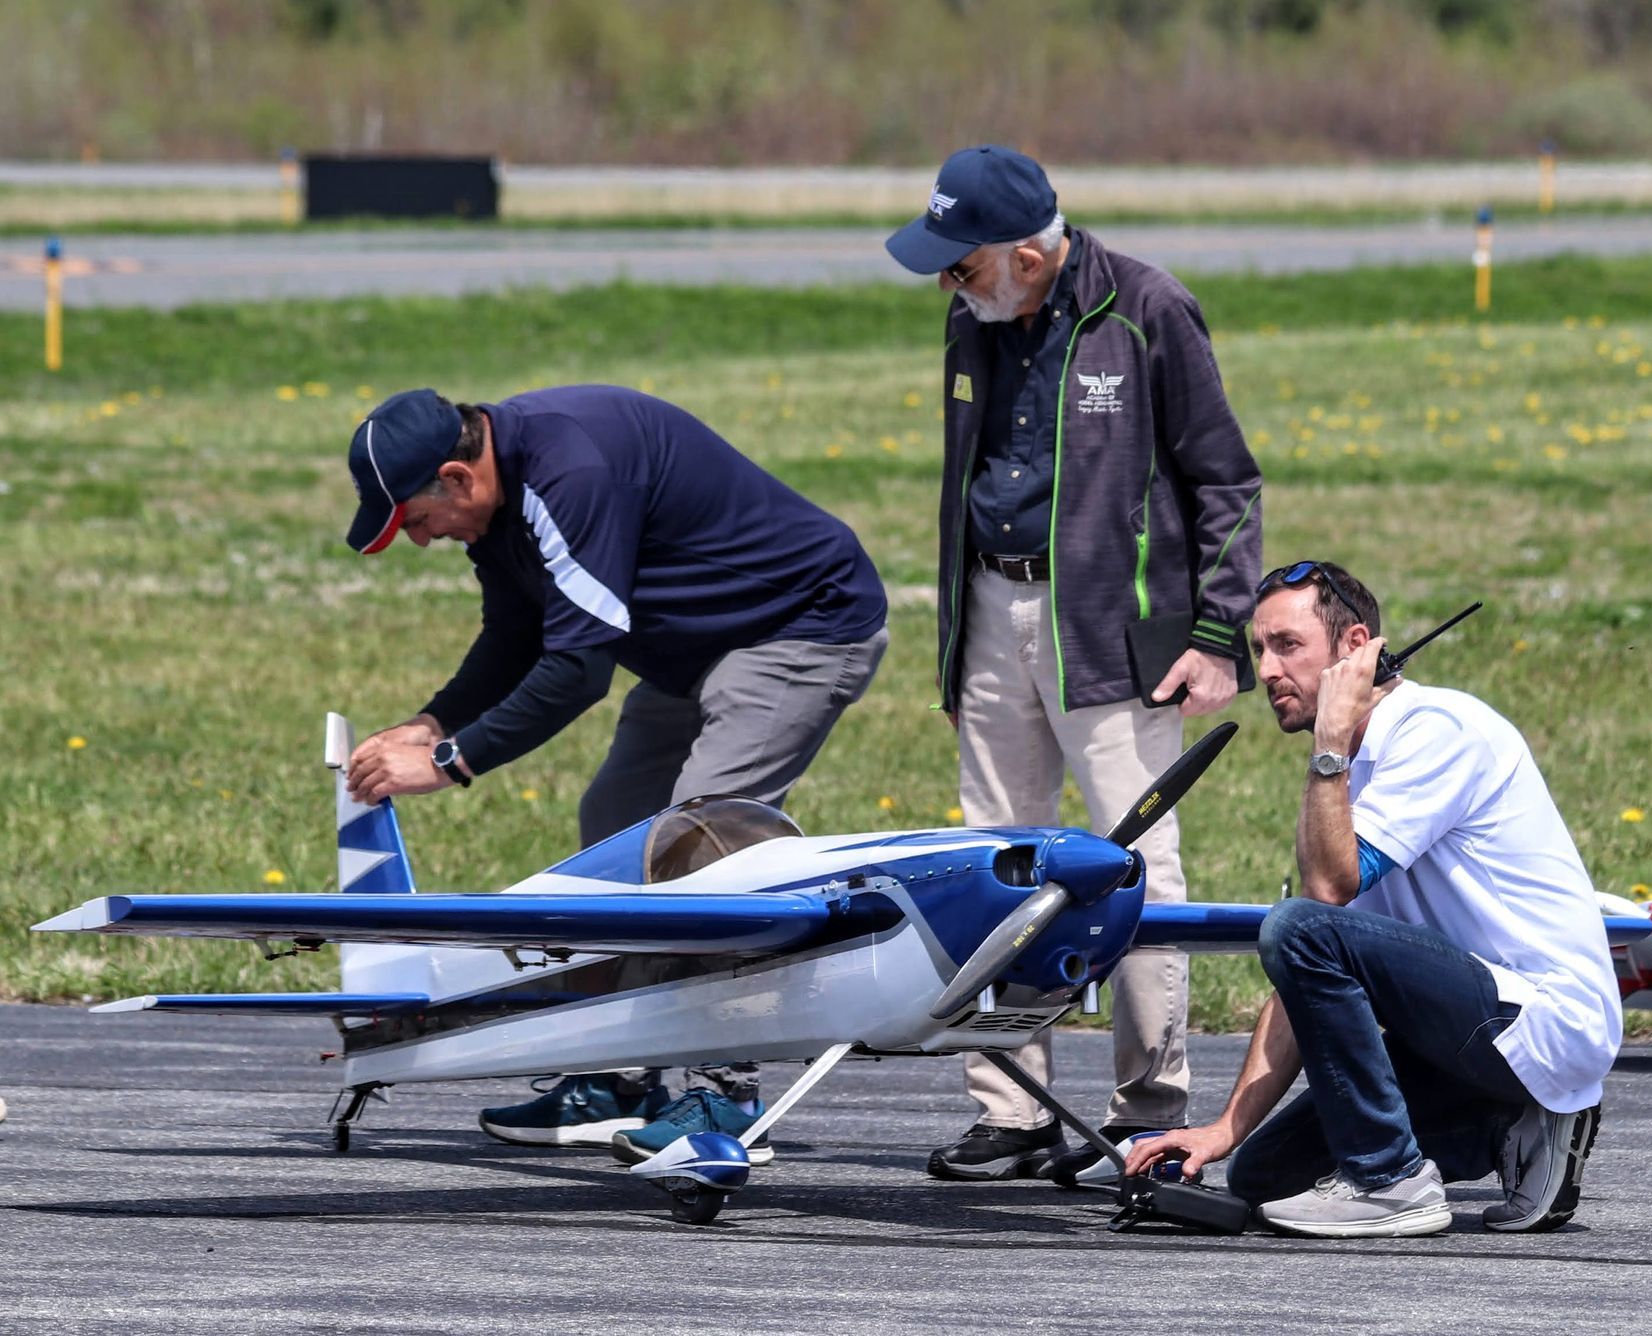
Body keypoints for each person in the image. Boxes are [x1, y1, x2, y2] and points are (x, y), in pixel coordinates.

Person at [340, 384, 889, 1152]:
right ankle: (617, 1079)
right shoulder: (497, 505)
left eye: (416, 521)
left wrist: (450, 762)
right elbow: (516, 634)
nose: (422, 541)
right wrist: (434, 721)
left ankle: (726, 1095)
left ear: (458, 478)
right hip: (692, 649)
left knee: (705, 846)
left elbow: (579, 671)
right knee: (615, 826)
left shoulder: (572, 471)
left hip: (797, 625)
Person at [884, 146, 1263, 1182]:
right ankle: (1013, 1110)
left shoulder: (1149, 309)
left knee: (1136, 867)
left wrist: (1218, 633)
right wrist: (958, 649)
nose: (947, 283)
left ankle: (1150, 1109)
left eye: (961, 263)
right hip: (990, 608)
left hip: (1111, 630)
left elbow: (1226, 479)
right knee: (993, 864)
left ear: (1026, 254)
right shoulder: (973, 319)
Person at [1124, 561, 1620, 1236]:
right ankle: (1513, 1124)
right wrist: (1224, 1130)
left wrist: (1329, 742)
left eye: (1287, 646)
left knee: (1299, 925)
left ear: (1356, 647)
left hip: (1543, 1019)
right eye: (1259, 649)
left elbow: (1321, 902)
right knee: (1263, 1177)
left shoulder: (1437, 730)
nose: (1266, 670)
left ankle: (1391, 1181)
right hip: (1462, 1028)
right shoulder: (1350, 772)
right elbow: (1307, 966)